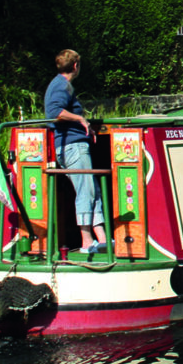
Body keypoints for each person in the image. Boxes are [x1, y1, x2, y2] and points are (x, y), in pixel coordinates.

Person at [44, 49, 106, 254]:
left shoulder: (59, 84)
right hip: (73, 147)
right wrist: (80, 119)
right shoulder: (62, 86)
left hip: (70, 144)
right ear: (75, 66)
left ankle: (103, 239)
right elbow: (55, 111)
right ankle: (87, 241)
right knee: (85, 191)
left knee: (91, 189)